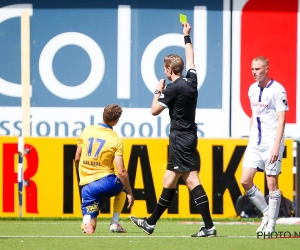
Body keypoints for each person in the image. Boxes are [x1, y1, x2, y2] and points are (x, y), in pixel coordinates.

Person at [130, 22, 216, 237]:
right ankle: (150, 223)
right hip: (189, 135)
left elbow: (154, 111)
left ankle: (209, 227)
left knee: (192, 180)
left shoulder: (171, 89)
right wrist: (186, 37)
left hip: (179, 138)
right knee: (169, 180)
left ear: (170, 70)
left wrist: (157, 91)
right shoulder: (191, 80)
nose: (165, 72)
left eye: (165, 69)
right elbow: (192, 59)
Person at [240, 56, 289, 234]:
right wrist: (250, 138)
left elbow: (282, 119)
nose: (254, 72)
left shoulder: (278, 90)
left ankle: (272, 225)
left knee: (271, 184)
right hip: (255, 142)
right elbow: (255, 114)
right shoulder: (252, 89)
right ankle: (267, 213)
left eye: (258, 69)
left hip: (271, 143)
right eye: (252, 69)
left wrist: (277, 146)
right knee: (245, 180)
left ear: (266, 69)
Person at [75, 104, 134, 234]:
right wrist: (130, 193)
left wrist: (82, 177)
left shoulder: (87, 130)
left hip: (87, 185)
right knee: (123, 187)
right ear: (116, 121)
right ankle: (114, 222)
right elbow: (122, 171)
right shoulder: (115, 138)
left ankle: (86, 219)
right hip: (106, 181)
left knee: (92, 226)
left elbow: (77, 158)